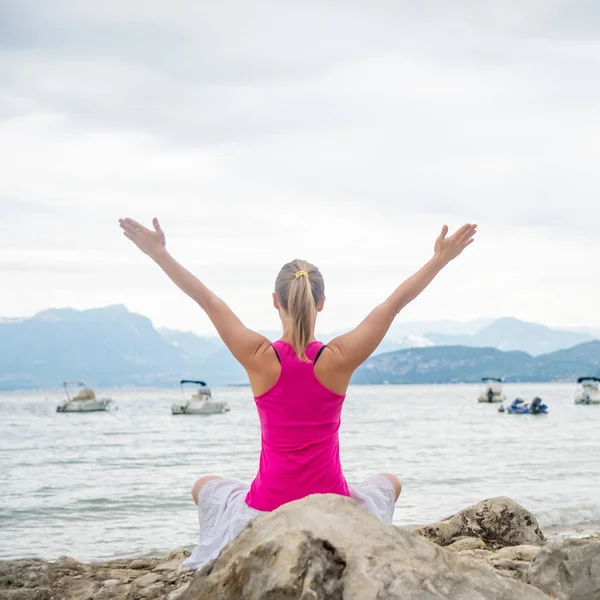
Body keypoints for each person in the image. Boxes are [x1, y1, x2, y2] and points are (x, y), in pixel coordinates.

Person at [119, 217, 477, 570]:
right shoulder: (338, 358)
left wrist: (159, 254)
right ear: (321, 303)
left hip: (268, 505)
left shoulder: (259, 357)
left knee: (204, 486)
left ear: (276, 301)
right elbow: (393, 305)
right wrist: (439, 261)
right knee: (391, 483)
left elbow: (208, 301)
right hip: (332, 505)